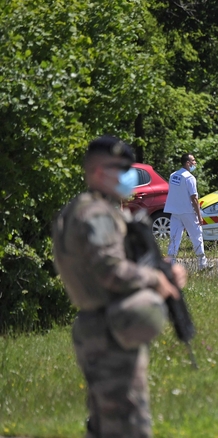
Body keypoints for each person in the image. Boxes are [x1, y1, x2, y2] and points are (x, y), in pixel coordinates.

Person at [52, 135, 187, 437]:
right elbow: (109, 269)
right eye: (123, 169)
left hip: (100, 327)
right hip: (109, 332)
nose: (130, 175)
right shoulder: (96, 213)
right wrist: (157, 280)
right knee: (128, 424)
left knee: (104, 423)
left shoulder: (82, 208)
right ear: (100, 173)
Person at [164, 153, 210, 270]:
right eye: (193, 161)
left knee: (174, 238)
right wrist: (199, 216)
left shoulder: (173, 175)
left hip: (175, 212)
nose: (195, 163)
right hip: (188, 211)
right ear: (188, 163)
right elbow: (194, 198)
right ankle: (202, 264)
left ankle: (171, 265)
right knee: (196, 235)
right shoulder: (189, 178)